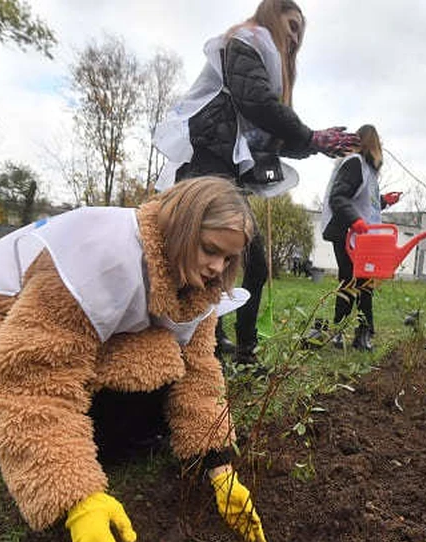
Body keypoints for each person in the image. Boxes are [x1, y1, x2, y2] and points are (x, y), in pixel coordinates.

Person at [0, 177, 267, 542]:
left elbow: (200, 371)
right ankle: (0, 430)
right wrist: (76, 500)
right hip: (2, 335)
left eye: (228, 260)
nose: (216, 269)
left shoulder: (200, 286)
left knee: (161, 378)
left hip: (66, 344)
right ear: (180, 228)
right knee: (144, 384)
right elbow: (32, 378)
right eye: (210, 250)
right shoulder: (102, 259)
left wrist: (218, 466)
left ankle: (39, 427)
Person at [153, 0, 359, 366]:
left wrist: (312, 144)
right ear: (271, 14)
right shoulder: (245, 41)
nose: (295, 36)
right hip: (206, 167)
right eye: (291, 24)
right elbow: (257, 104)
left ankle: (228, 346)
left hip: (224, 172)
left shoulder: (263, 61)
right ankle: (196, 348)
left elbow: (269, 128)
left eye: (301, 30)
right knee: (205, 260)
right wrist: (311, 137)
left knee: (245, 262)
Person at [311, 124, 401, 351]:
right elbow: (339, 197)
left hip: (361, 235)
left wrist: (384, 201)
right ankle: (345, 332)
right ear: (372, 142)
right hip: (348, 232)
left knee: (363, 283)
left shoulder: (368, 171)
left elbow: (364, 205)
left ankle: (360, 333)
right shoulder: (355, 163)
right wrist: (355, 221)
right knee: (351, 281)